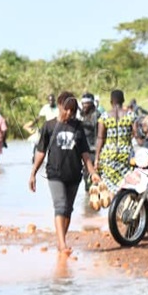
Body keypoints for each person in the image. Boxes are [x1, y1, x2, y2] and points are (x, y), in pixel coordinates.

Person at [29, 92, 101, 254]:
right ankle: (62, 245)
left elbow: (84, 154)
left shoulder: (78, 127)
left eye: (73, 110)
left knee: (68, 210)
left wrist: (92, 172)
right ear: (60, 107)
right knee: (60, 206)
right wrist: (33, 172)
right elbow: (41, 152)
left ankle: (61, 240)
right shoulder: (49, 126)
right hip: (55, 173)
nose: (69, 113)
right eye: (66, 109)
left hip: (74, 174)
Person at [95, 89, 134, 192]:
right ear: (123, 100)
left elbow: (100, 138)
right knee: (125, 186)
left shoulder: (104, 117)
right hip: (126, 156)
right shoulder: (130, 115)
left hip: (108, 156)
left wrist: (96, 159)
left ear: (111, 101)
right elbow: (136, 136)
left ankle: (113, 205)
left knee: (110, 189)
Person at [77, 93, 99, 190]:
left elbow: (92, 125)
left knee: (94, 177)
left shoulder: (96, 114)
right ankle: (88, 201)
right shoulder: (83, 114)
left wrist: (80, 122)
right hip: (85, 150)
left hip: (94, 150)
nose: (84, 106)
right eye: (83, 104)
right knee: (86, 177)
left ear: (91, 103)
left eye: (86, 103)